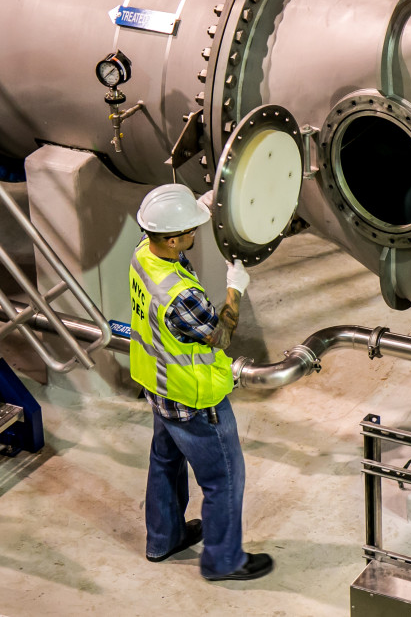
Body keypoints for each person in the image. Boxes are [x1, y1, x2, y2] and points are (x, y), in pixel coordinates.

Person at [128, 183, 272, 582]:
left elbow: (167, 221)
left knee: (165, 462)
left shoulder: (145, 252)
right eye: (190, 231)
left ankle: (164, 539)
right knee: (224, 478)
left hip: (159, 386)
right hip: (194, 399)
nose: (195, 236)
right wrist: (235, 287)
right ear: (174, 240)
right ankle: (224, 561)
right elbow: (220, 335)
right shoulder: (180, 296)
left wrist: (210, 201)